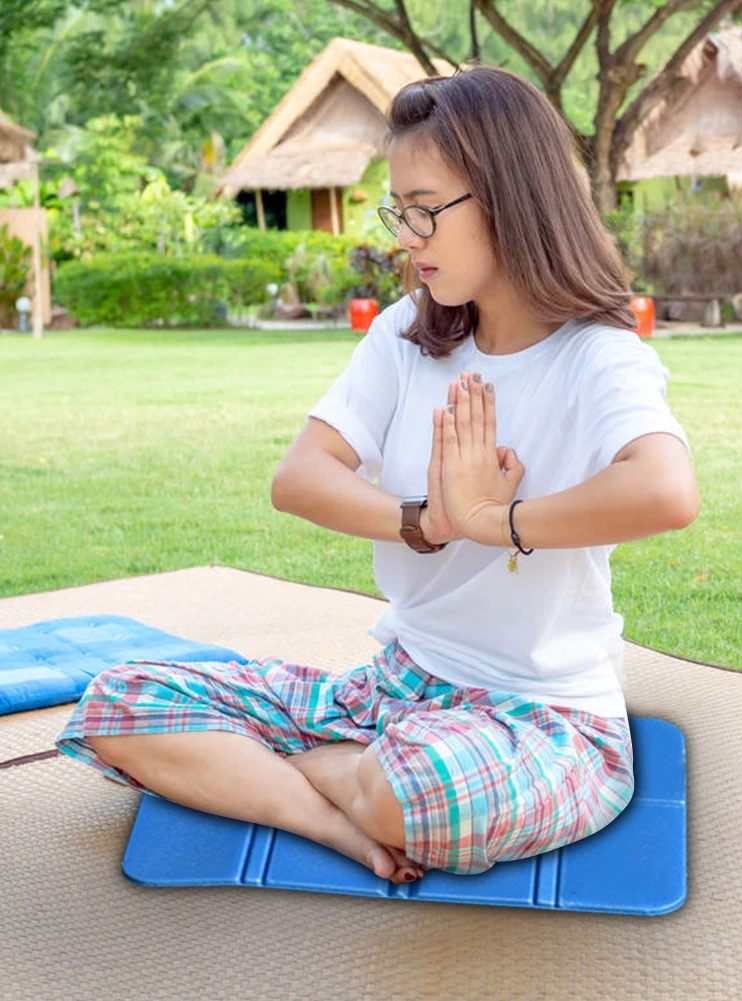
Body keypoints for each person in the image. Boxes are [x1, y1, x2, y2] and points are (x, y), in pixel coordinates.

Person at [55, 66, 699, 886]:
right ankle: (327, 813)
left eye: (424, 209)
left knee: (416, 789)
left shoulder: (595, 353)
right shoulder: (407, 333)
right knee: (119, 701)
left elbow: (664, 490)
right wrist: (426, 519)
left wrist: (494, 522)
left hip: (546, 722)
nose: (407, 237)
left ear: (510, 197)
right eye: (400, 211)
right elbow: (300, 476)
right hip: (391, 692)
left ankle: (323, 782)